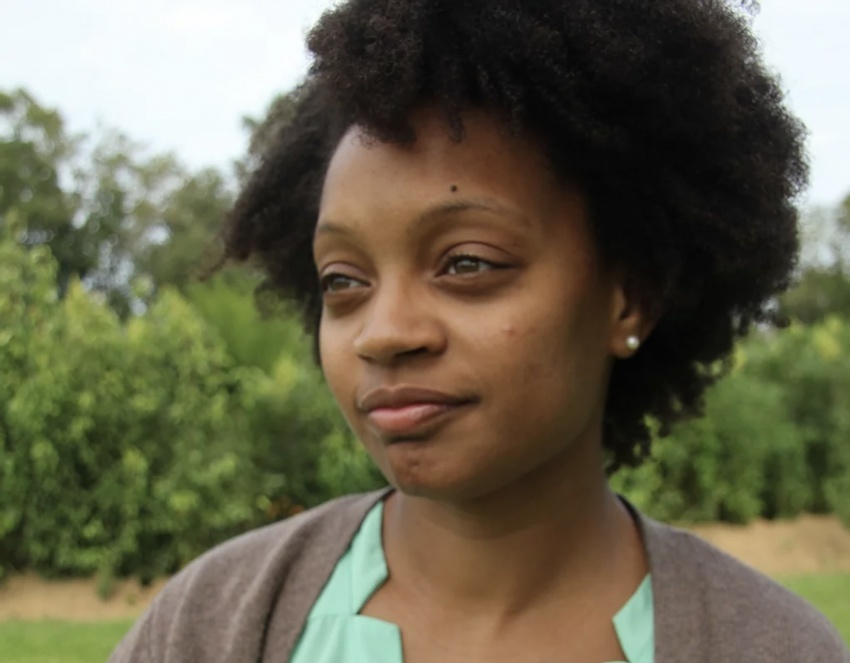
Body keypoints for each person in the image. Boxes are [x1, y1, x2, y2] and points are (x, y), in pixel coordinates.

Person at [110, 1, 850, 661]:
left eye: (466, 262)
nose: (384, 332)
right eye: (344, 281)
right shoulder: (213, 624)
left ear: (630, 298)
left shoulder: (773, 646)